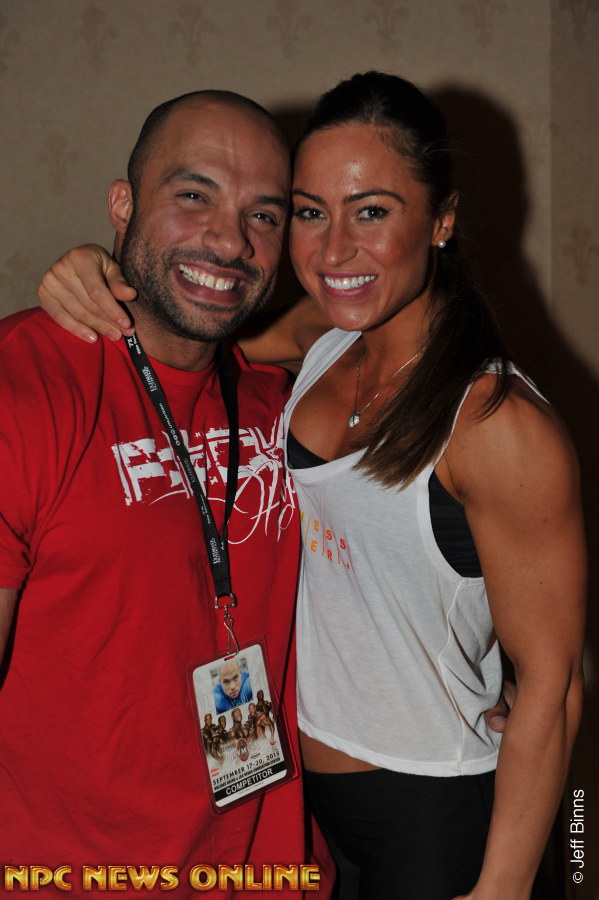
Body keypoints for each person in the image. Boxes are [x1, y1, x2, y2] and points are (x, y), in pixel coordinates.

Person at [36, 73, 559, 900]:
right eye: (311, 213)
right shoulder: (323, 342)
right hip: (304, 809)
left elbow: (554, 687)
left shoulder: (497, 421)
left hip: (432, 800)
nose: (333, 250)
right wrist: (93, 272)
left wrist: (510, 883)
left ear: (442, 219)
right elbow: (189, 330)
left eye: (372, 211)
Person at [0, 90, 335, 898]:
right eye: (193, 195)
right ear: (122, 205)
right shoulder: (25, 390)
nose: (229, 240)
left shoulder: (285, 402)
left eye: (262, 215)